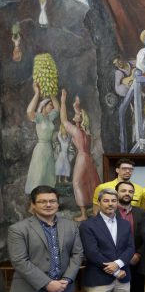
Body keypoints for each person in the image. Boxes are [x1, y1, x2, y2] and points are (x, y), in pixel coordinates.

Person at [61, 90, 100, 221]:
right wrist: (76, 107)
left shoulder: (77, 131)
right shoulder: (86, 132)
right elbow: (78, 117)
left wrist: (62, 100)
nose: (74, 116)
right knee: (92, 182)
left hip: (82, 158)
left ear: (81, 119)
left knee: (77, 183)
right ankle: (95, 210)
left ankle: (83, 214)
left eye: (77, 115)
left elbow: (63, 120)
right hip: (89, 158)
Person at [116, 182, 145, 292]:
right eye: (123, 191)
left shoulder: (141, 213)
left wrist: (139, 254)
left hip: (137, 262)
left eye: (130, 191)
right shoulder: (109, 212)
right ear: (117, 193)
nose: (127, 193)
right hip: (115, 264)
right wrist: (123, 259)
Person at [24, 82, 58, 194]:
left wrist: (52, 93)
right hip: (40, 149)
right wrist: (37, 93)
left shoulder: (50, 118)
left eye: (52, 106)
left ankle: (46, 198)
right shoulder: (38, 117)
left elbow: (57, 109)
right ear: (43, 106)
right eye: (50, 105)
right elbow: (29, 111)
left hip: (49, 149)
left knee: (48, 175)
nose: (52, 107)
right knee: (39, 174)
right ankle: (35, 200)